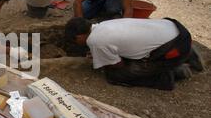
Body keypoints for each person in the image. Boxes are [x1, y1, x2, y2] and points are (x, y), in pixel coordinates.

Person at [64, 17, 204, 90]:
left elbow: (119, 65)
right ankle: (186, 55)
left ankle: (169, 75)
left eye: (75, 41)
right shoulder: (103, 26)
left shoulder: (95, 41)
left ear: (79, 37)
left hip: (171, 49)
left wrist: (104, 60)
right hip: (176, 30)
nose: (77, 43)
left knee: (114, 75)